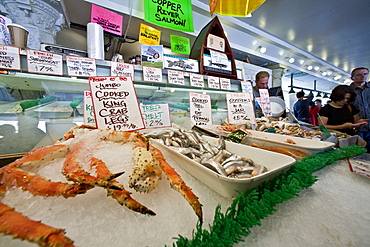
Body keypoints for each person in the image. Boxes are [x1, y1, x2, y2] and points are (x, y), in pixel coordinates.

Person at [349, 67, 370, 151]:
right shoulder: (348, 91)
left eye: (365, 74)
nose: (363, 76)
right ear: (352, 78)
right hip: (356, 128)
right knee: (357, 151)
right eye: (359, 75)